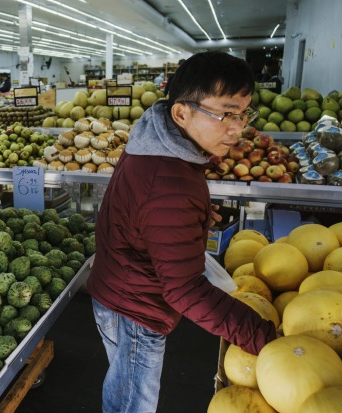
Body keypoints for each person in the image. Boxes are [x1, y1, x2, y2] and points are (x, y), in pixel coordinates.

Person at [86, 51, 275, 413]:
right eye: (225, 114)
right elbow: (184, 289)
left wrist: (195, 217)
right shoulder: (170, 180)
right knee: (131, 404)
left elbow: (146, 211)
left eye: (243, 113)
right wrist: (263, 336)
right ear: (181, 112)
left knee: (122, 384)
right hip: (136, 308)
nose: (238, 127)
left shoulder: (156, 141)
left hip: (120, 288)